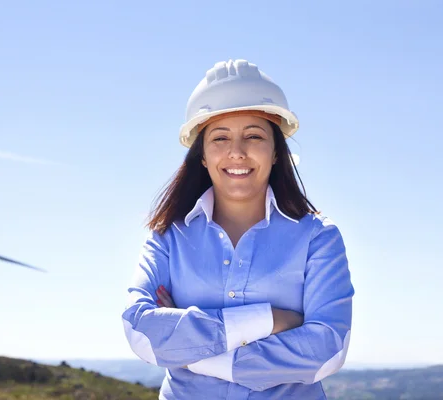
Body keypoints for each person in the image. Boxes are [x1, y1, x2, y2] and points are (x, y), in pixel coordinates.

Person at [121, 59, 354, 399]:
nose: (237, 152)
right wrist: (269, 321)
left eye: (254, 136)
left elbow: (327, 348)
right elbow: (140, 328)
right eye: (220, 138)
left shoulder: (318, 237)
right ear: (202, 155)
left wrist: (189, 349)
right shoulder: (168, 237)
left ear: (276, 152)